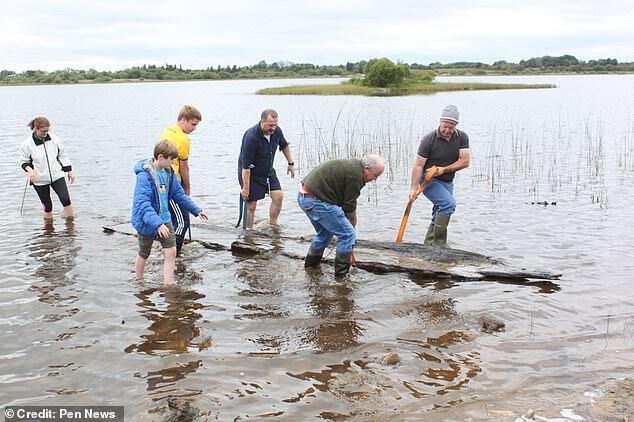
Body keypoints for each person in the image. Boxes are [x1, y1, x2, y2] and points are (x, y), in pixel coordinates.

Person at [132, 140, 208, 285]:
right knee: (144, 252)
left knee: (171, 251)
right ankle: (139, 281)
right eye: (171, 159)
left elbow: (178, 194)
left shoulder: (168, 172)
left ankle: (168, 283)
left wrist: (196, 210)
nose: (173, 163)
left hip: (165, 218)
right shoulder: (144, 176)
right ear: (160, 157)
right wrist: (157, 224)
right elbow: (142, 205)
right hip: (147, 221)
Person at [298, 154, 385, 278]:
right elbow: (349, 206)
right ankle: (341, 279)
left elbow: (345, 203)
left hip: (305, 198)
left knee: (324, 235)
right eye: (375, 175)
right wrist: (352, 224)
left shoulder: (355, 167)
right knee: (348, 235)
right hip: (315, 201)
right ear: (366, 168)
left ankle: (311, 268)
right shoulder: (355, 176)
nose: (374, 179)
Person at [408, 105, 470, 246]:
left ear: (456, 126)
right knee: (448, 204)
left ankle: (428, 245)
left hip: (447, 181)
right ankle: (440, 244)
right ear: (440, 122)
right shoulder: (428, 140)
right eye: (445, 126)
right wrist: (414, 187)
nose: (447, 130)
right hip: (429, 180)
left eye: (451, 127)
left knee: (439, 209)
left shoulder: (462, 138)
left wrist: (444, 170)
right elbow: (418, 165)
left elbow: (465, 161)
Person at [238, 109, 295, 229]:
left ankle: (272, 224)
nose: (273, 128)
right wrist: (245, 188)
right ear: (262, 121)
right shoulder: (251, 137)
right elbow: (246, 167)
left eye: (275, 125)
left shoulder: (276, 131)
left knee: (278, 196)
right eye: (270, 125)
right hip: (250, 173)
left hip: (268, 171)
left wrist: (290, 163)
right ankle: (249, 232)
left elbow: (284, 145)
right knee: (252, 205)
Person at [160, 105, 202, 255]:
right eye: (193, 124)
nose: (195, 128)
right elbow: (184, 167)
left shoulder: (168, 130)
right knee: (183, 221)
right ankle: (174, 254)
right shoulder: (183, 138)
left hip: (161, 179)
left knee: (170, 219)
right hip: (172, 181)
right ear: (183, 120)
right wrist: (187, 189)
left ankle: (167, 250)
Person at [19, 116, 76, 219]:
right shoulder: (27, 144)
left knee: (65, 199)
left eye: (47, 130)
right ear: (35, 129)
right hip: (39, 179)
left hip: (56, 175)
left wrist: (69, 171)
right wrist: (30, 171)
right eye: (43, 131)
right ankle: (48, 231)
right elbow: (24, 162)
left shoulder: (55, 139)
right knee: (48, 206)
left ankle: (71, 227)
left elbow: (62, 155)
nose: (46, 133)